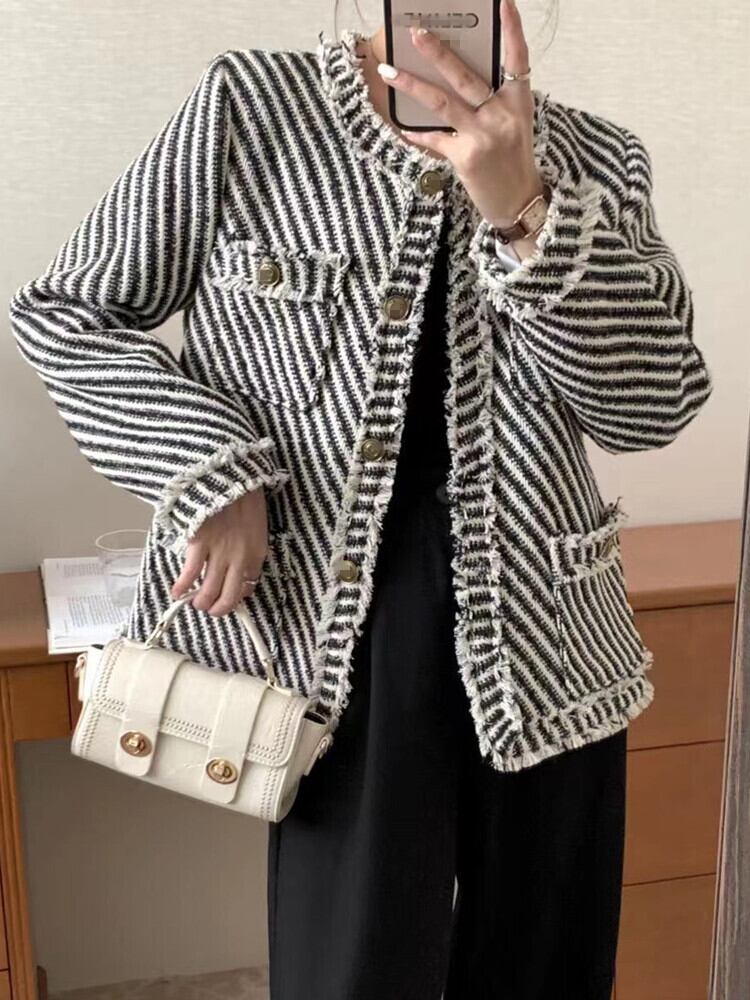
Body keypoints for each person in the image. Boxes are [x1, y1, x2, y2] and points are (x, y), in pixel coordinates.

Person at [8, 2, 713, 997]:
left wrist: (526, 211)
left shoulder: (598, 158)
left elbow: (653, 406)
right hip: (340, 640)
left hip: (551, 641)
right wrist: (211, 468)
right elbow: (68, 312)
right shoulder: (254, 108)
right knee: (355, 969)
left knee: (547, 966)